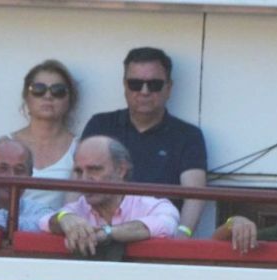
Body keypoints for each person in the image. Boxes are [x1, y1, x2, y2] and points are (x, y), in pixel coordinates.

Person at [81, 47, 207, 237]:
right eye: (135, 84)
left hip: (158, 241)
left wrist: (182, 236)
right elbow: (77, 182)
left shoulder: (188, 135)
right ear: (124, 85)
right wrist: (75, 226)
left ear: (169, 87)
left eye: (154, 84)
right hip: (97, 237)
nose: (144, 91)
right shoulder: (100, 125)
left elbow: (195, 195)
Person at [39, 135, 178, 256]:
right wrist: (64, 218)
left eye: (94, 169)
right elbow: (44, 221)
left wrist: (108, 233)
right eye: (79, 171)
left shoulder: (152, 205)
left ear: (121, 170)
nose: (85, 179)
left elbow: (166, 224)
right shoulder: (77, 208)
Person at [9, 59, 79, 211]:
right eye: (38, 89)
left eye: (58, 90)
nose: (48, 96)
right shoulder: (6, 145)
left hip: (60, 229)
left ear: (69, 99)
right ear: (26, 96)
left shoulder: (79, 149)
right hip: (12, 229)